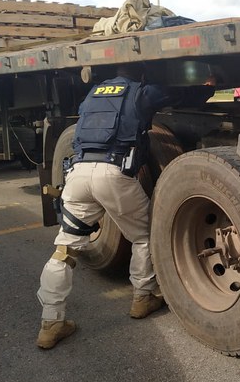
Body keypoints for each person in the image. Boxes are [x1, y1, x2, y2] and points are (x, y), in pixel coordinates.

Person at [36, 65, 213, 350]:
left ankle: (51, 322)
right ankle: (143, 297)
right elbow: (176, 96)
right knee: (143, 236)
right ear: (141, 75)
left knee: (65, 249)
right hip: (113, 174)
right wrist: (207, 85)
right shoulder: (140, 92)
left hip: (78, 172)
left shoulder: (93, 93)